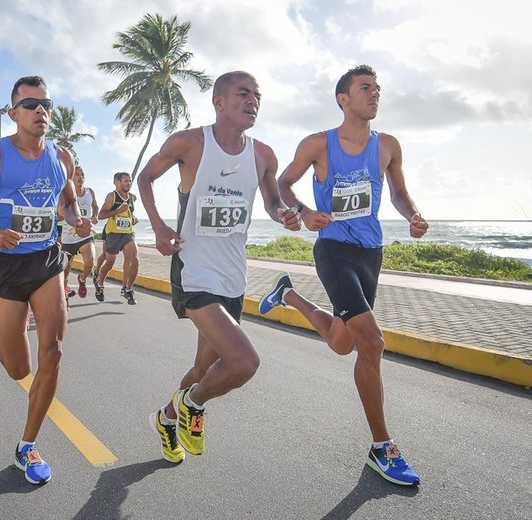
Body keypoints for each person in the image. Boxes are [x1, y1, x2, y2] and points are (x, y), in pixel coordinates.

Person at [260, 64, 428, 486]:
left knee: (341, 342)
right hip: (334, 250)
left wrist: (413, 215)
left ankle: (288, 295)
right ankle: (381, 447)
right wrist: (301, 211)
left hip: (371, 253)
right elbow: (284, 182)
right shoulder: (319, 144)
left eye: (377, 88)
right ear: (343, 99)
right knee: (371, 342)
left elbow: (399, 193)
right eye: (365, 88)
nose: (375, 94)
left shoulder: (387, 145)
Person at [137, 71, 300, 464]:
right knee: (244, 362)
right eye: (244, 94)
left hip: (233, 276)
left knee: (202, 368)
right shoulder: (190, 143)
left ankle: (167, 417)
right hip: (194, 272)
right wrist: (159, 227)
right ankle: (193, 407)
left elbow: (272, 202)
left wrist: (287, 215)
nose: (253, 102)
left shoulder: (263, 154)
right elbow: (146, 177)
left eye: (257, 96)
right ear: (219, 102)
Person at [0, 75, 91, 485]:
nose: (40, 110)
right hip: (7, 265)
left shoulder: (62, 157)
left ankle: (27, 446)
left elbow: (65, 201)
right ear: (13, 113)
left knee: (54, 351)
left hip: (47, 261)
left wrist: (74, 217)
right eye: (30, 105)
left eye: (46, 103)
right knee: (17, 368)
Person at [94, 172, 139, 305]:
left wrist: (132, 218)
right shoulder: (112, 196)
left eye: (130, 181)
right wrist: (118, 211)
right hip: (113, 234)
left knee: (134, 261)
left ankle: (128, 289)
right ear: (117, 182)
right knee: (109, 264)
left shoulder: (132, 197)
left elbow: (129, 212)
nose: (128, 184)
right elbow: (101, 215)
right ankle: (100, 284)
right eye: (125, 181)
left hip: (128, 234)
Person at [60, 166, 99, 301]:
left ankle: (82, 279)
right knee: (65, 273)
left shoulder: (90, 192)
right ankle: (65, 299)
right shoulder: (65, 194)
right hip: (68, 238)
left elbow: (95, 206)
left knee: (90, 262)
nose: (80, 177)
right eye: (77, 174)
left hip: (85, 235)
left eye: (82, 174)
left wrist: (95, 216)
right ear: (71, 177)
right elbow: (59, 212)